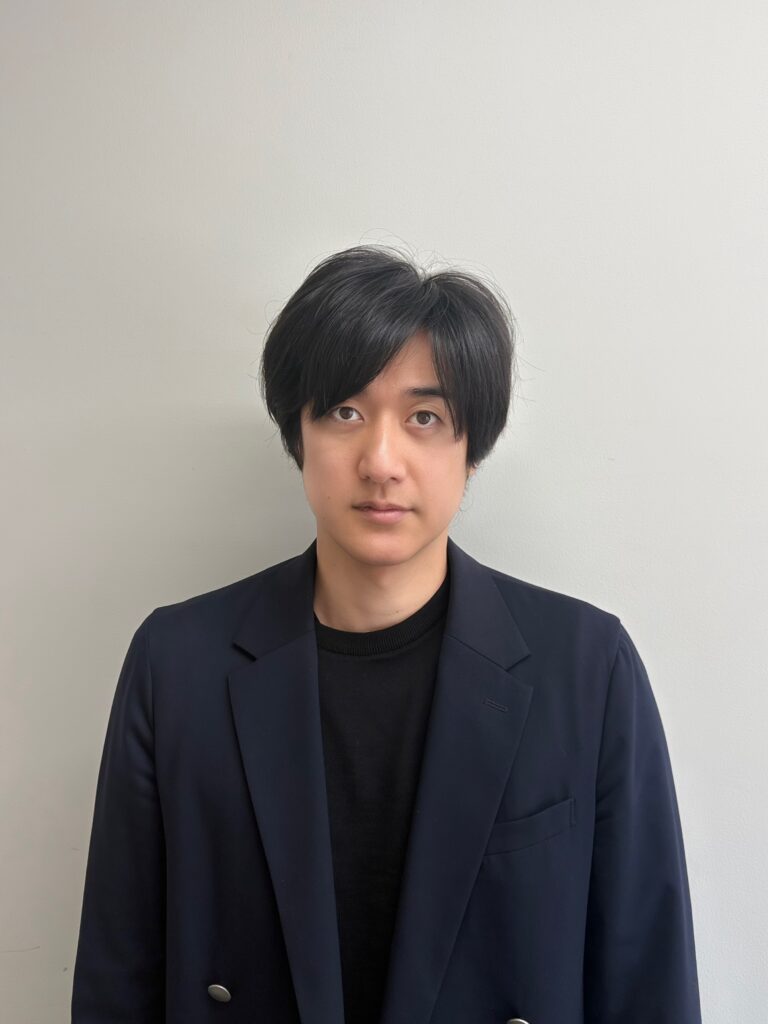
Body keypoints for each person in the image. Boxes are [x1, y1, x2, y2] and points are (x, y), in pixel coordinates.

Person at [71, 245, 703, 1024]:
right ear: (298, 434)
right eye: (344, 411)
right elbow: (117, 976)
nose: (381, 461)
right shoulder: (177, 665)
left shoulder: (586, 668)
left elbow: (647, 979)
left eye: (424, 418)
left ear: (472, 449)